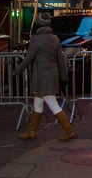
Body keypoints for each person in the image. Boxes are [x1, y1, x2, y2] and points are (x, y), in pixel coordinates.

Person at [14, 12, 75, 141]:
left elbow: (28, 58)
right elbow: (61, 60)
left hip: (41, 77)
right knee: (38, 103)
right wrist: (64, 77)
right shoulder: (55, 38)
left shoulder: (37, 39)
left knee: (52, 104)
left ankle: (69, 130)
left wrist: (18, 70)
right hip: (52, 75)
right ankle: (32, 131)